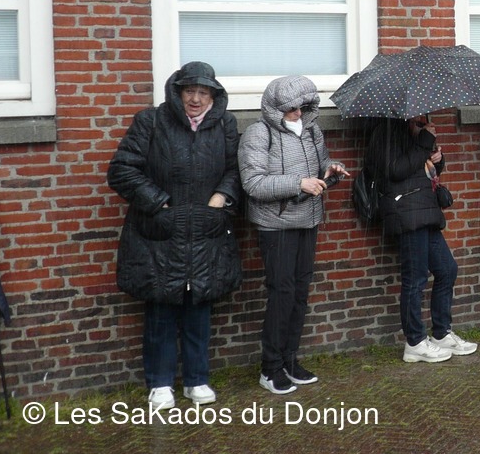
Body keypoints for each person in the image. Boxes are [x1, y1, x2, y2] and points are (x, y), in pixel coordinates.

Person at [107, 61, 242, 411]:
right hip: (160, 234)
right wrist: (159, 203)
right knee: (161, 311)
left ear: (214, 96)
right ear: (177, 92)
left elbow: (235, 170)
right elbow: (122, 170)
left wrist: (221, 199)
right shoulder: (150, 122)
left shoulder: (225, 125)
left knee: (199, 309)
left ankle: (197, 379)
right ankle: (160, 383)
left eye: (203, 92)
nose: (196, 99)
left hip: (205, 232)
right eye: (189, 91)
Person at [240, 75, 348, 395]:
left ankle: (289, 360)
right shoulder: (258, 134)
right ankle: (270, 368)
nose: (298, 113)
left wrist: (331, 171)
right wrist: (298, 183)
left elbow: (321, 167)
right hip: (276, 226)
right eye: (291, 109)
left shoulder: (312, 130)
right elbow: (253, 183)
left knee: (300, 293)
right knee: (282, 294)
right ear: (275, 108)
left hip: (308, 221)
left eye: (303, 107)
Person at [367, 115, 478, 362]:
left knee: (447, 269)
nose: (422, 121)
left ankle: (441, 333)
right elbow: (395, 170)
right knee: (415, 278)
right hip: (406, 213)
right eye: (417, 121)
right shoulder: (386, 133)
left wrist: (437, 159)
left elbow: (424, 171)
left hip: (424, 211)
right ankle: (415, 342)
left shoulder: (414, 135)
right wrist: (425, 141)